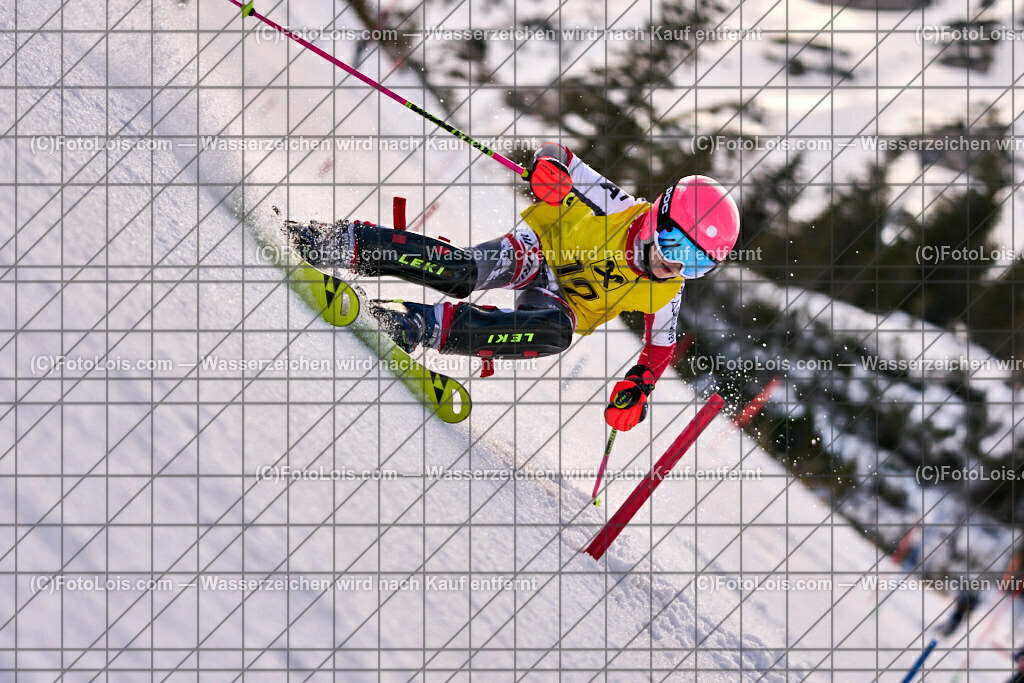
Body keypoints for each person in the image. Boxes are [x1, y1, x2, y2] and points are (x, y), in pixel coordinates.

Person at [287, 143, 741, 431]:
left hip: (559, 302)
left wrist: (638, 389)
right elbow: (561, 156)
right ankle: (344, 244)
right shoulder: (618, 206)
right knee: (463, 271)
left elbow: (658, 349)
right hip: (542, 250)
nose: (674, 262)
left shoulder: (668, 290)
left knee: (554, 335)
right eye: (676, 243)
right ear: (657, 215)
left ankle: (415, 325)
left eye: (697, 262)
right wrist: (549, 169)